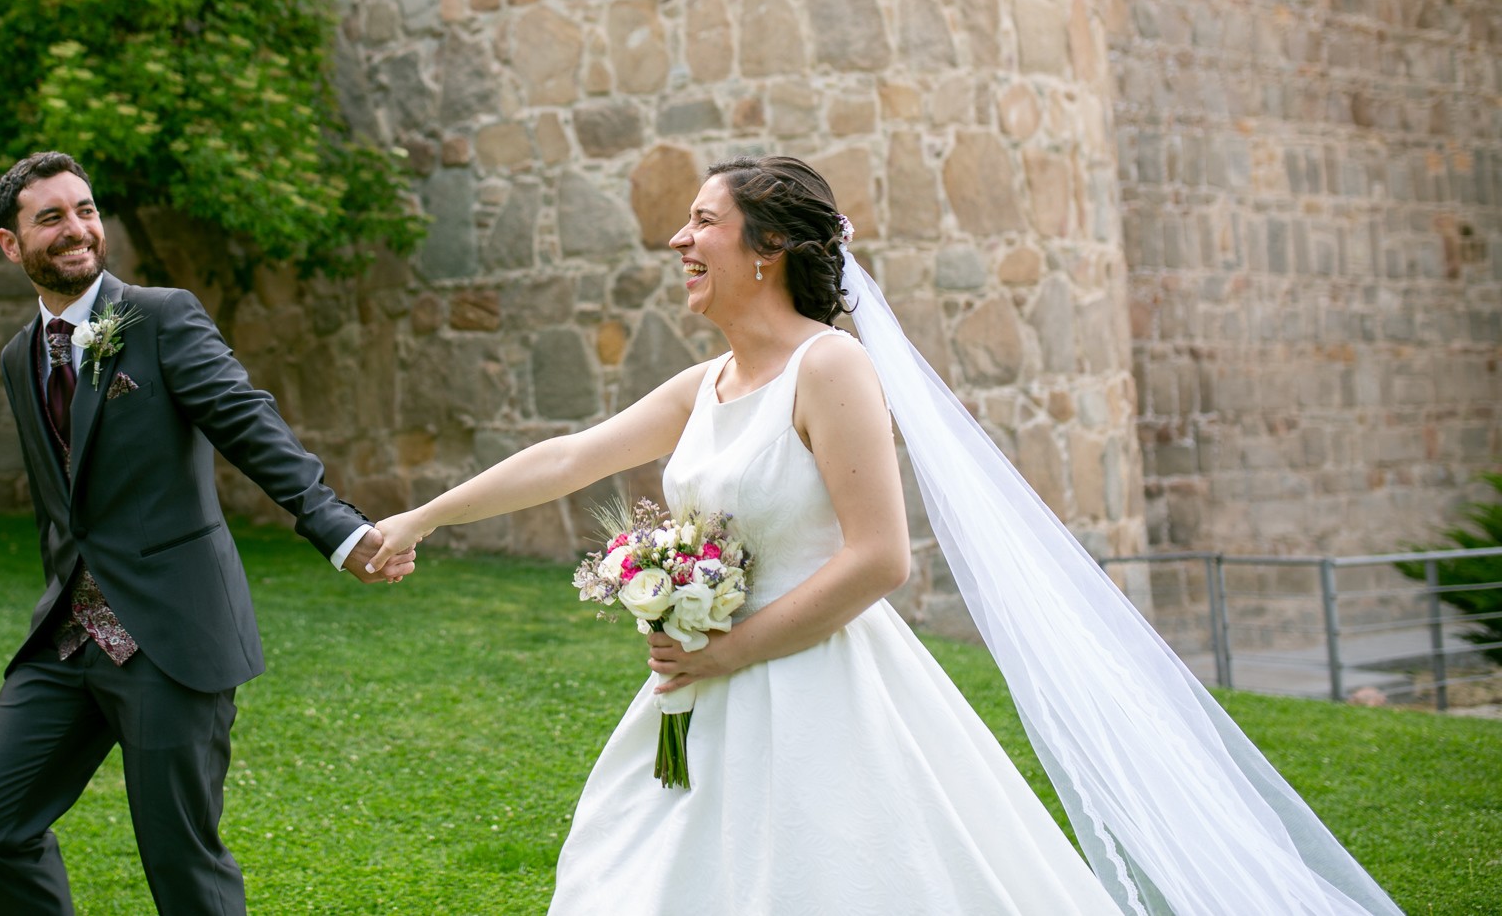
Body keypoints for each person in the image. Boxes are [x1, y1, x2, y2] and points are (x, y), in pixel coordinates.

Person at [368, 155, 1401, 915]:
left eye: (702, 222)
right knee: (637, 865)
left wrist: (727, 646)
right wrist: (424, 516)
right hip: (699, 692)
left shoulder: (829, 368)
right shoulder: (707, 382)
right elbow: (568, 457)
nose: (678, 241)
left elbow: (879, 558)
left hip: (813, 685)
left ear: (766, 250)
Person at [0, 151, 414, 916]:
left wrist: (337, 528)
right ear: (11, 243)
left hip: (172, 634)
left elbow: (247, 422)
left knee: (181, 863)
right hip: (67, 639)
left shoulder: (160, 318)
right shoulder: (17, 357)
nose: (77, 229)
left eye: (86, 209)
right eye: (51, 217)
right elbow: (60, 503)